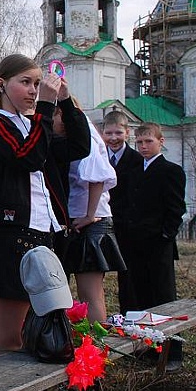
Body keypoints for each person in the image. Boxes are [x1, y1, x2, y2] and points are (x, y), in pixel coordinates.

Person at [0, 54, 72, 391]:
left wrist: (65, 104)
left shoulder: (31, 123)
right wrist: (45, 108)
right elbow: (26, 156)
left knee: (28, 335)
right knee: (7, 339)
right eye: (25, 83)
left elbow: (70, 149)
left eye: (36, 83)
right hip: (10, 236)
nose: (33, 91)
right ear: (1, 84)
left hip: (39, 233)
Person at [120, 122, 186, 371]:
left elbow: (175, 208)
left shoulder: (171, 171)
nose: (143, 146)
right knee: (140, 299)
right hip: (134, 245)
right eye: (139, 142)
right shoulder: (135, 171)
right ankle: (148, 349)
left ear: (161, 142)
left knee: (164, 299)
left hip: (158, 246)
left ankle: (172, 353)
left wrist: (165, 236)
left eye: (148, 141)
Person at [58, 109, 126, 323]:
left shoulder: (84, 133)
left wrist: (89, 214)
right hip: (75, 218)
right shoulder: (68, 137)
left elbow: (97, 176)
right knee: (66, 294)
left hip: (90, 221)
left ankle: (96, 350)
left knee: (90, 293)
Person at [102, 110, 144, 314]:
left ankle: (130, 315)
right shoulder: (99, 157)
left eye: (118, 133)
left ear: (128, 133)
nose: (113, 138)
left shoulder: (137, 160)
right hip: (102, 221)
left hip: (127, 226)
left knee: (128, 277)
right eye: (109, 133)